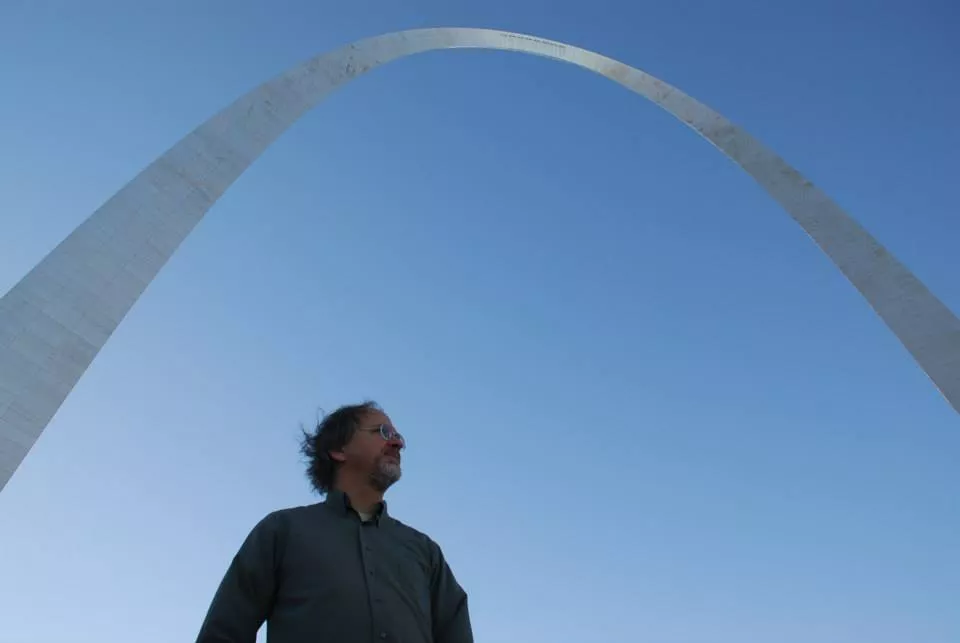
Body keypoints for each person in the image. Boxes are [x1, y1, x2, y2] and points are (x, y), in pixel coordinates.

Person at [195, 401, 473, 643]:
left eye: (398, 435)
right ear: (339, 450)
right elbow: (224, 633)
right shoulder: (282, 530)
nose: (397, 442)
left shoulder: (425, 551)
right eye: (384, 432)